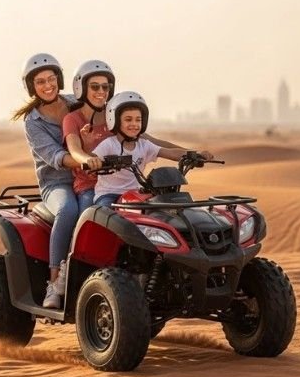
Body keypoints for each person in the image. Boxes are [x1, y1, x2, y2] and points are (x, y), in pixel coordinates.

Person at [12, 53, 81, 309]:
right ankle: (54, 283)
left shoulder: (76, 103)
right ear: (32, 87)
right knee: (67, 210)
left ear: (59, 79)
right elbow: (55, 157)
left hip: (89, 179)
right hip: (57, 183)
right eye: (40, 81)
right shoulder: (33, 121)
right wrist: (86, 160)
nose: (47, 85)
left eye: (51, 79)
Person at [92, 91, 213, 207]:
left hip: (135, 194)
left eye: (138, 120)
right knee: (106, 213)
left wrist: (195, 155)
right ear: (115, 121)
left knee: (158, 211)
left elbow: (169, 152)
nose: (134, 124)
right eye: (128, 119)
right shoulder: (109, 144)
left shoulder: (144, 145)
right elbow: (92, 157)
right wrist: (93, 161)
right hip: (109, 194)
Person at [62, 60, 116, 211]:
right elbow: (74, 150)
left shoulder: (114, 116)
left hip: (118, 185)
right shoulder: (72, 119)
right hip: (89, 187)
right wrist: (88, 159)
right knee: (87, 218)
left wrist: (184, 152)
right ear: (82, 88)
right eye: (94, 86)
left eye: (105, 87)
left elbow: (149, 140)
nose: (101, 91)